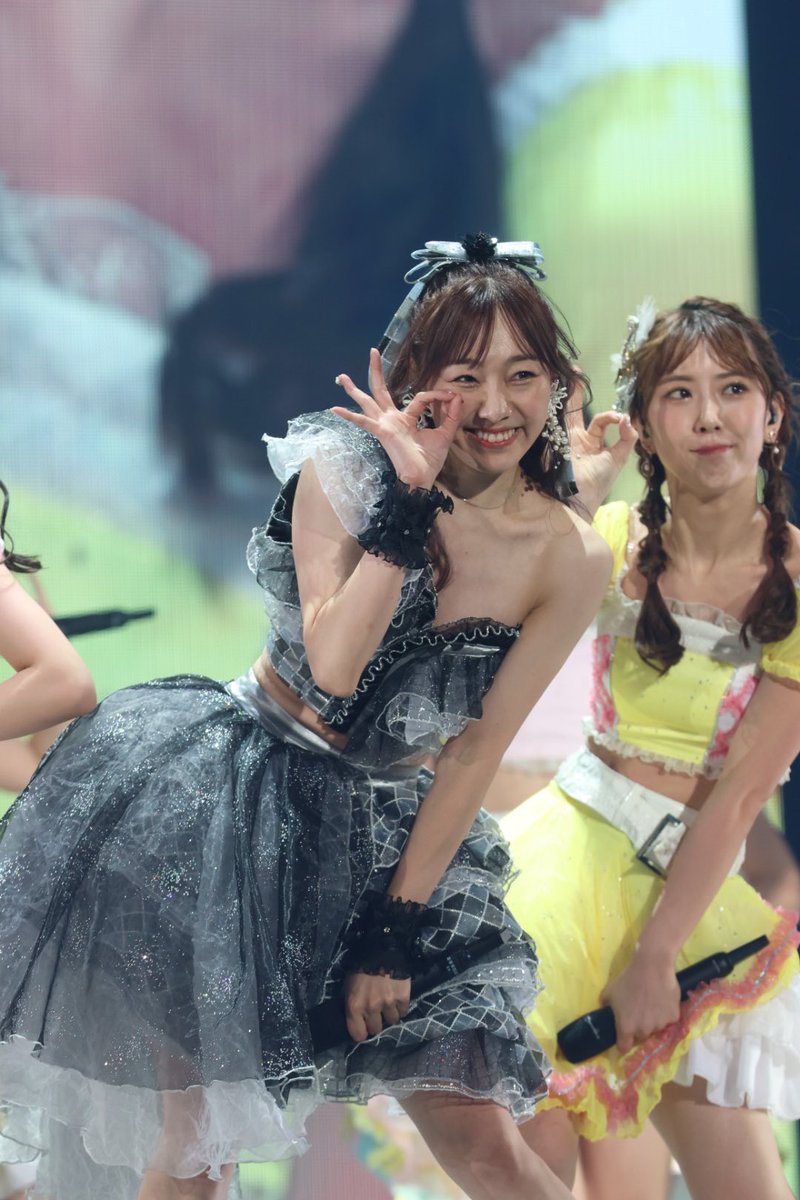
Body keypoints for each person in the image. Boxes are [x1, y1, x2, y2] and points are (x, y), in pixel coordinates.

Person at [0, 235, 626, 1200]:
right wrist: (407, 507)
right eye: (466, 377)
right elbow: (335, 665)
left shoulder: (570, 554)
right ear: (415, 380)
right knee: (201, 1145)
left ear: (560, 383)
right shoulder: (342, 467)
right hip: (233, 813)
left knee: (485, 1144)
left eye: (523, 375)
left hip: (397, 835)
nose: (496, 406)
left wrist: (394, 930)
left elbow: (476, 750)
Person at [504, 296, 800, 1200]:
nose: (709, 416)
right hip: (561, 878)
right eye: (679, 393)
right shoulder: (607, 538)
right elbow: (482, 634)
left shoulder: (796, 578)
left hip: (689, 903)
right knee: (531, 1179)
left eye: (734, 389)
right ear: (644, 423)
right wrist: (577, 494)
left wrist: (656, 956)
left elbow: (742, 795)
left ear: (773, 415)